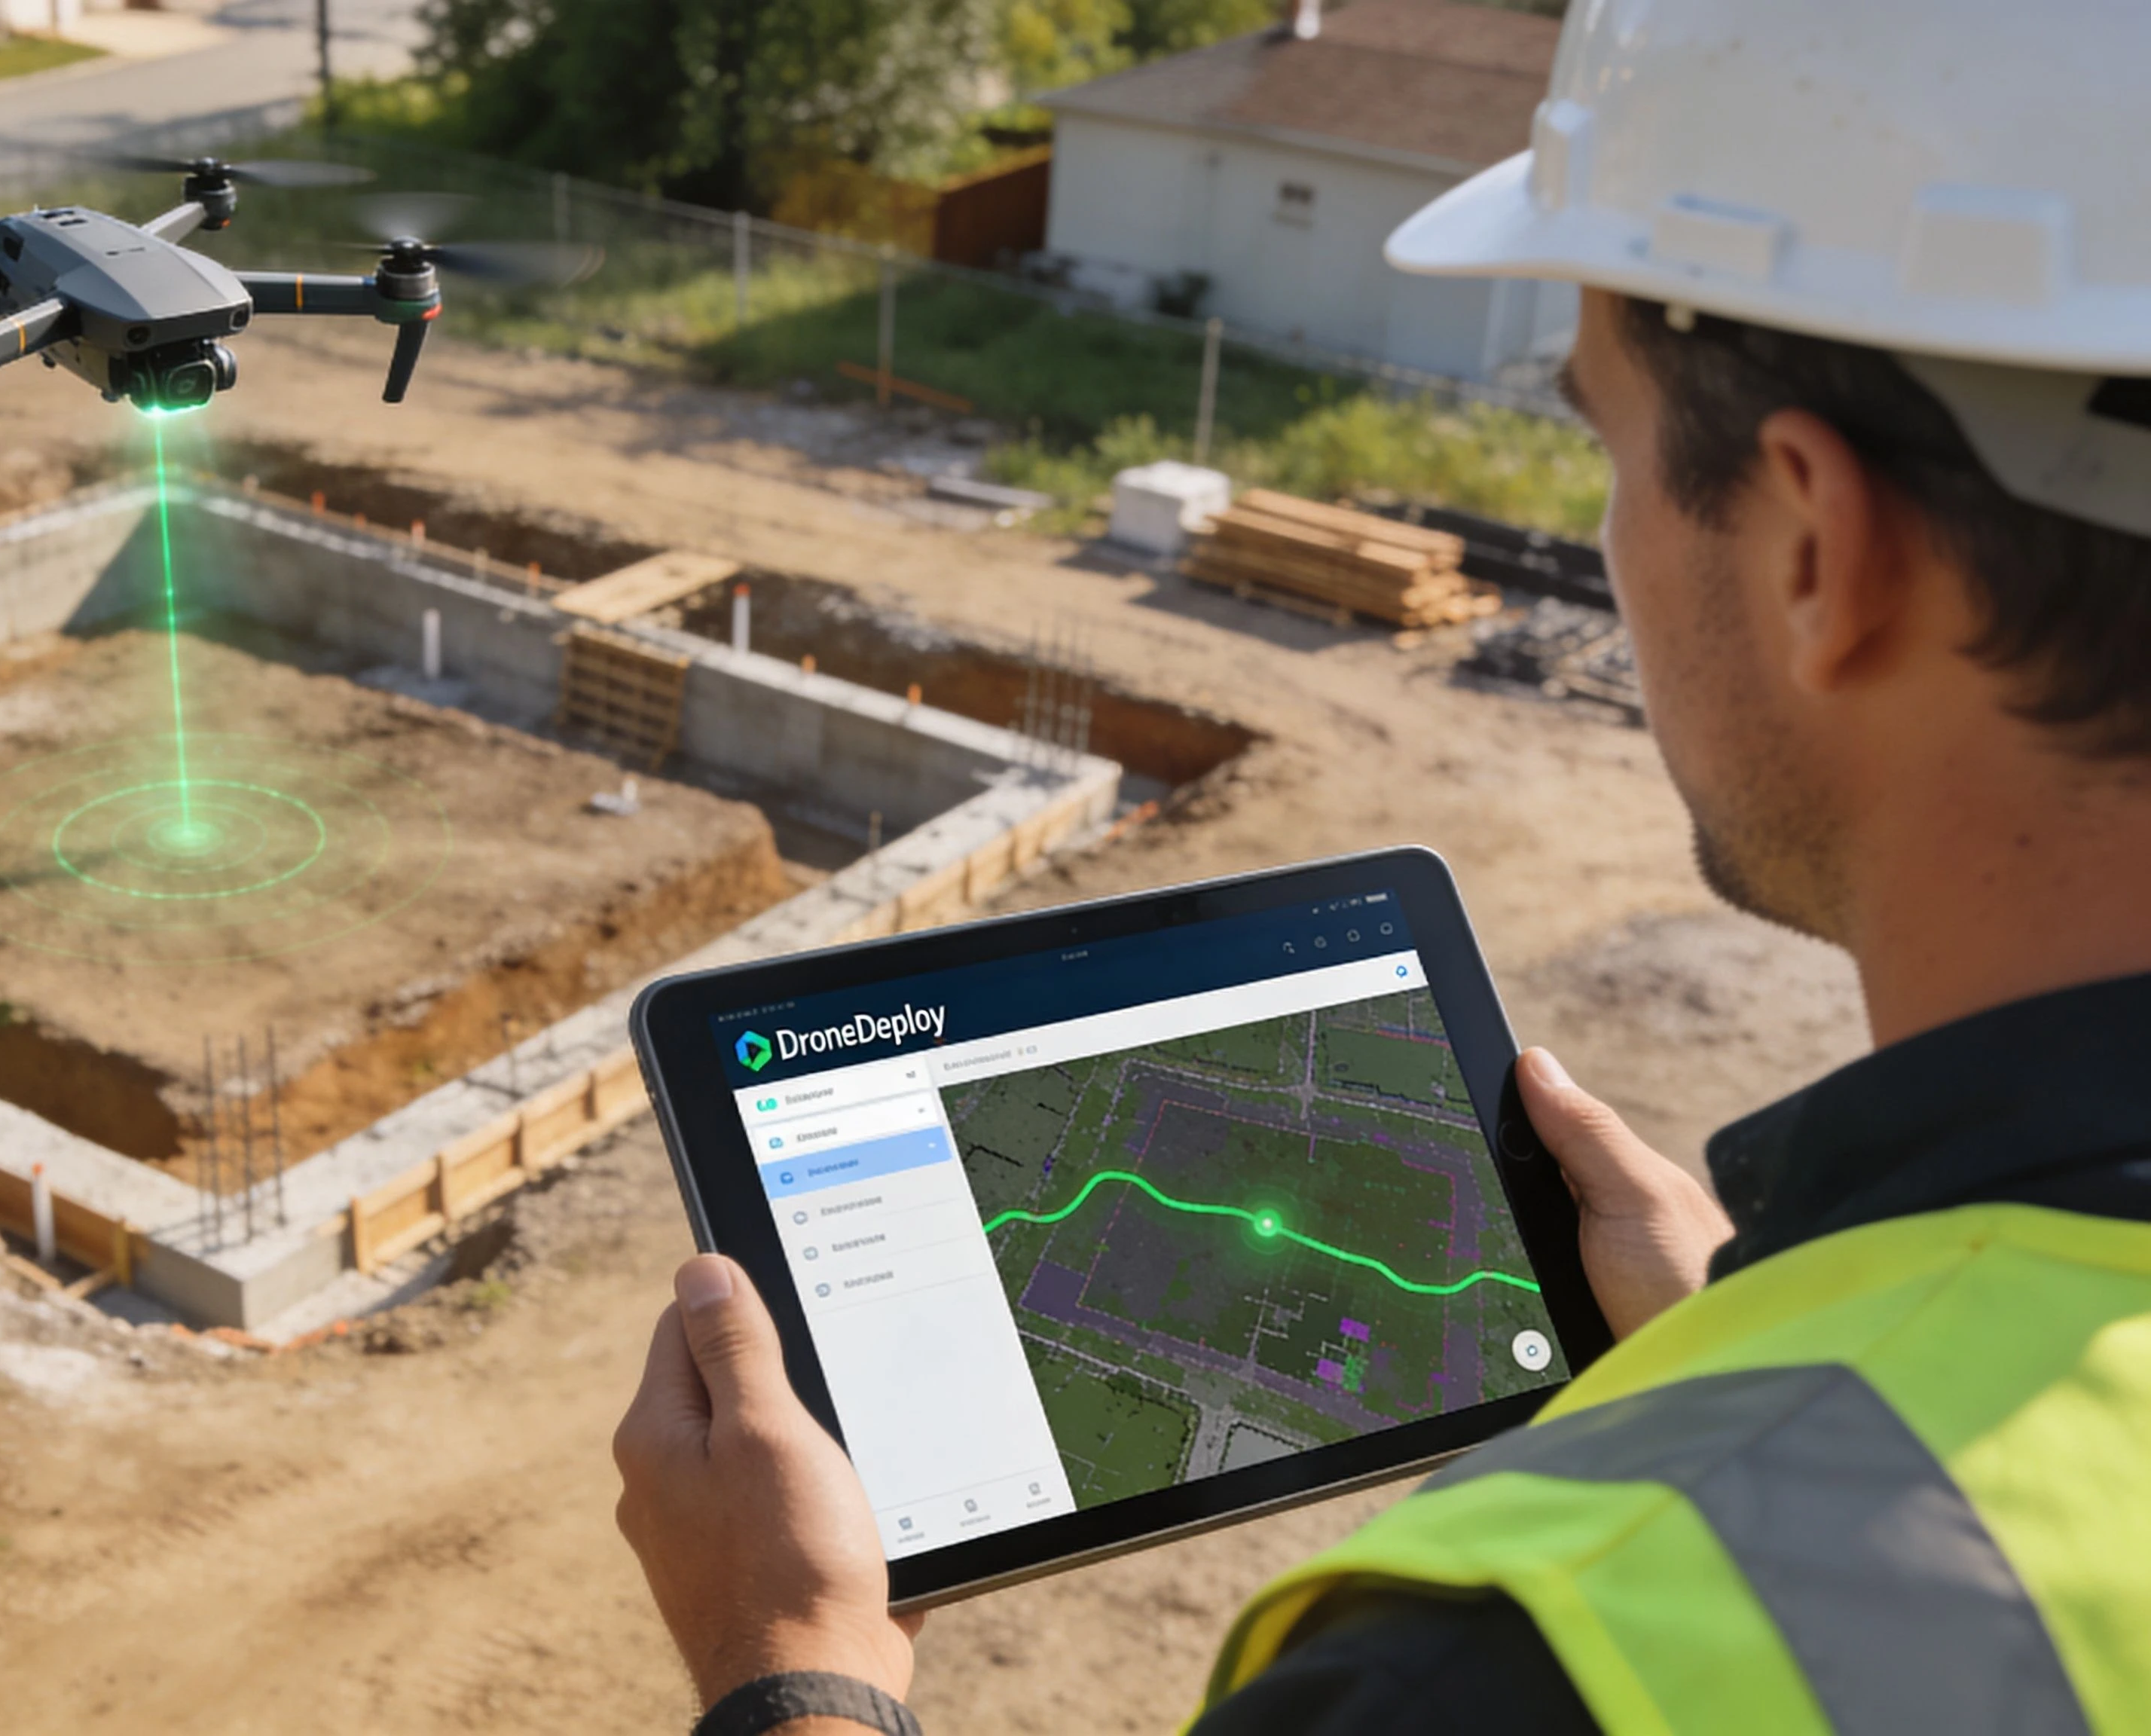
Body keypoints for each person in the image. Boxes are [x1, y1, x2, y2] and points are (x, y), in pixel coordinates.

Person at [612, 2, 2151, 1731]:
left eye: (1604, 445)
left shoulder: (1519, 1652)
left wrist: (792, 1662)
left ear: (1811, 544)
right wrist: (1721, 1350)